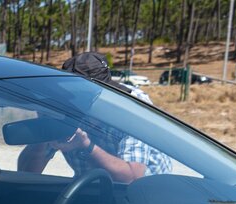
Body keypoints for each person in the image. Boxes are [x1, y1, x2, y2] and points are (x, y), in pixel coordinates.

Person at [18, 52, 171, 182]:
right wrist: (44, 134)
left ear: (107, 91)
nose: (80, 104)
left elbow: (132, 178)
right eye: (73, 97)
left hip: (149, 194)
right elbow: (26, 173)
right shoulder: (62, 106)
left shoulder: (132, 105)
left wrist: (86, 146)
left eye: (88, 97)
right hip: (90, 189)